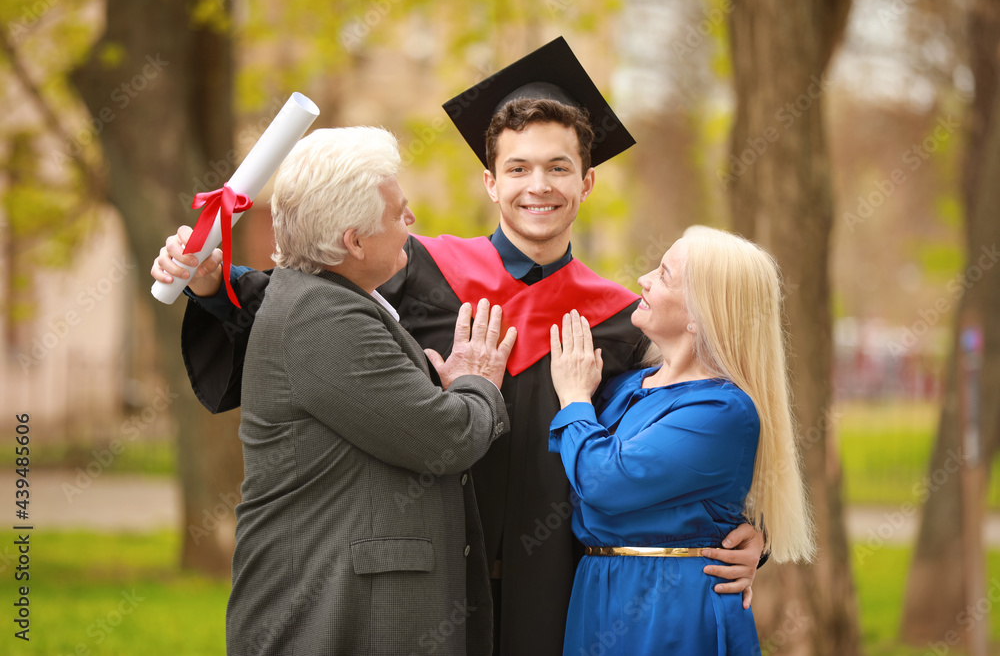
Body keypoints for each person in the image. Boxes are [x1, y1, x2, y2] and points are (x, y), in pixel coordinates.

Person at [152, 38, 766, 655]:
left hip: (558, 581)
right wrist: (212, 282)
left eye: (559, 168)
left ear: (588, 182)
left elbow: (687, 429)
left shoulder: (619, 322)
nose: (539, 186)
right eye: (518, 168)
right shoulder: (413, 269)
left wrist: (749, 532)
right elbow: (302, 305)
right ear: (491, 183)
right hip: (428, 578)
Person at [213, 126, 515, 655]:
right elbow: (445, 437)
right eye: (398, 213)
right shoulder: (322, 318)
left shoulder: (323, 298)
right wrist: (477, 382)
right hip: (334, 614)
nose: (411, 221)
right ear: (353, 241)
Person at [548, 226, 816, 655]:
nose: (644, 279)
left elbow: (605, 482)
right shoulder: (627, 385)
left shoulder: (721, 409)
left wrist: (575, 398)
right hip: (598, 590)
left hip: (669, 604)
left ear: (700, 314)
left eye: (665, 275)